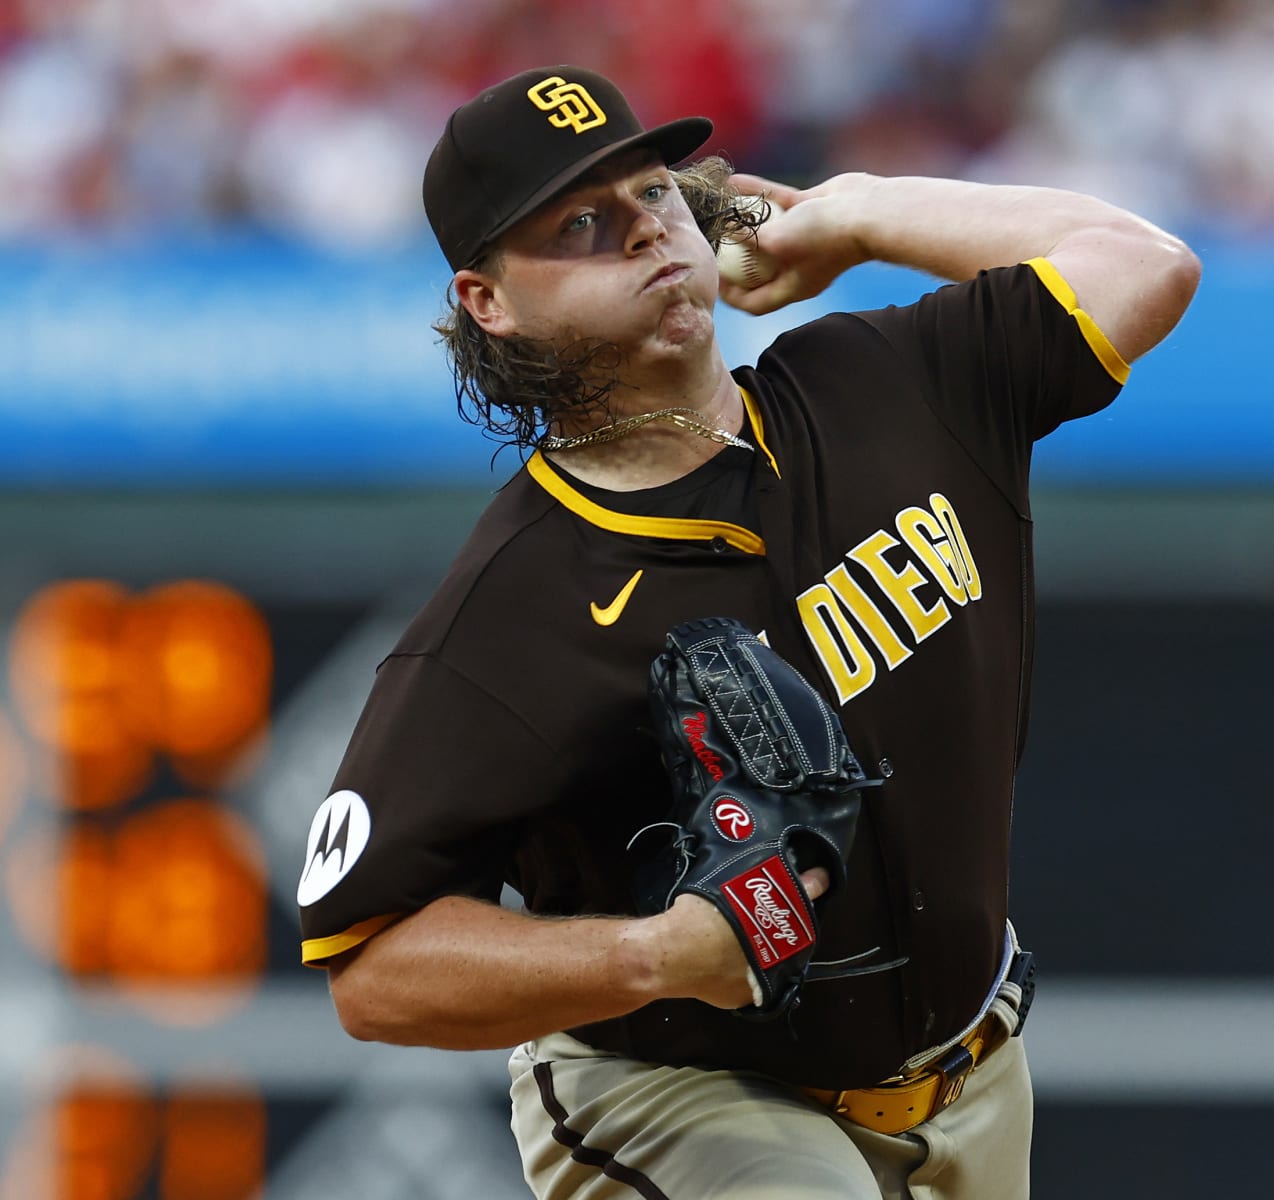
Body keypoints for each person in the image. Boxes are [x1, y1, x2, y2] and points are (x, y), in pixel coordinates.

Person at [296, 64, 1198, 1200]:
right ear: (490, 301)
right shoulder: (512, 609)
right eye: (583, 224)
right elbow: (369, 970)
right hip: (686, 1092)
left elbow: (1147, 267)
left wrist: (859, 210)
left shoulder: (888, 383)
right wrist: (651, 954)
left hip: (977, 1076)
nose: (647, 235)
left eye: (656, 195)